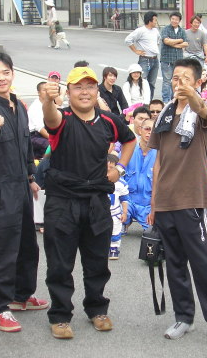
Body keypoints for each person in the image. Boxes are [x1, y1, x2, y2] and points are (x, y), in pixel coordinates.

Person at [42, 66, 135, 339]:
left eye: (90, 86)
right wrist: (48, 100)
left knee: (97, 261)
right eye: (78, 87)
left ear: (97, 90)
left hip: (96, 200)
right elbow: (50, 118)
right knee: (60, 263)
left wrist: (120, 168)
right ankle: (60, 315)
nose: (85, 92)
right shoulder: (62, 118)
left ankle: (97, 309)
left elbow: (130, 140)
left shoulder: (108, 120)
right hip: (63, 201)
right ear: (68, 91)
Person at [147, 57, 207, 350]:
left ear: (198, 82)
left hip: (193, 199)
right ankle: (184, 317)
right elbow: (159, 161)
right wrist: (154, 201)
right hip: (166, 201)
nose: (178, 82)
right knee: (174, 264)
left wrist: (191, 95)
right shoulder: (164, 114)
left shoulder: (204, 110)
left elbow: (202, 109)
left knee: (204, 264)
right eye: (175, 77)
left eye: (185, 78)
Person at [0, 52, 49, 333]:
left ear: (13, 74)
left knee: (27, 245)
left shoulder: (18, 105)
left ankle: (20, 296)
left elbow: (26, 146)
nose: (1, 78)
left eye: (5, 72)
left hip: (22, 186)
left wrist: (31, 176)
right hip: (1, 189)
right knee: (3, 249)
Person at [124, 117, 156, 233]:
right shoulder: (128, 151)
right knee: (114, 224)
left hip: (148, 204)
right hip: (127, 201)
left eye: (153, 130)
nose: (150, 132)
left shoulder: (161, 155)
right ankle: (125, 223)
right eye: (147, 129)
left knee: (152, 234)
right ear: (140, 130)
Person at [125, 11, 161, 98]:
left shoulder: (155, 31)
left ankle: (149, 102)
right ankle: (139, 100)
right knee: (141, 81)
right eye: (155, 20)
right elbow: (128, 40)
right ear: (150, 21)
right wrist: (136, 50)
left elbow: (158, 40)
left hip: (155, 59)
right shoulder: (141, 30)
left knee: (152, 83)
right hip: (145, 59)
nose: (156, 22)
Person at [160, 11, 189, 102]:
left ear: (179, 21)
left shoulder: (182, 31)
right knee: (167, 81)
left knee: (177, 80)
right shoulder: (165, 29)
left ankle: (175, 98)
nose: (174, 21)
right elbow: (166, 41)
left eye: (176, 19)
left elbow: (186, 44)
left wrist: (173, 43)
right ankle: (166, 100)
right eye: (172, 19)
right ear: (170, 19)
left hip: (178, 60)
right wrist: (179, 40)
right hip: (167, 59)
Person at [107, 154, 129, 260]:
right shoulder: (97, 180)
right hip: (100, 213)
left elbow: (124, 199)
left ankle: (114, 248)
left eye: (111, 167)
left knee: (115, 231)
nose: (108, 169)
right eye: (106, 166)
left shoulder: (121, 184)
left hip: (115, 213)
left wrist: (124, 212)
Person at [27, 81, 50, 159]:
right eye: (44, 90)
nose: (47, 92)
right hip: (34, 136)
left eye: (48, 90)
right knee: (50, 145)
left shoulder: (50, 103)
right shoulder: (35, 107)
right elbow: (40, 129)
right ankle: (44, 164)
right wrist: (54, 139)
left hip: (46, 131)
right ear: (38, 92)